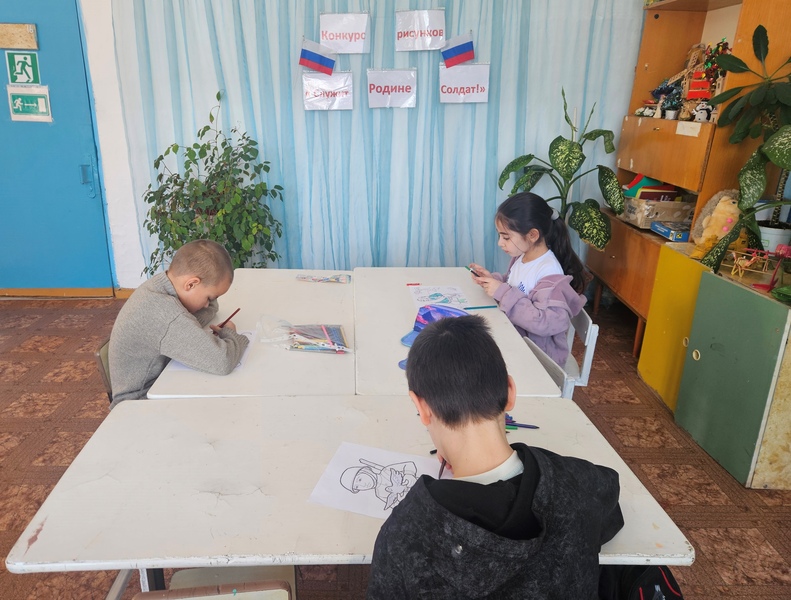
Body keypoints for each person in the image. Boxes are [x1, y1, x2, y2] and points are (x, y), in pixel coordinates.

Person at [367, 315, 623, 599]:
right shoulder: (576, 482)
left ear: (422, 408)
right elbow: (609, 497)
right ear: (510, 392)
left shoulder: (403, 536)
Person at [108, 239, 249, 403]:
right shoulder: (164, 313)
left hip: (160, 380)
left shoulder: (165, 284)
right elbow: (222, 362)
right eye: (209, 297)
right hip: (138, 402)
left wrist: (189, 324)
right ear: (191, 284)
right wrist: (231, 335)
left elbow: (210, 308)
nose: (208, 304)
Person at [468, 192, 588, 366]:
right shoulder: (522, 257)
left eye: (506, 237)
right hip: (517, 338)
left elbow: (544, 322)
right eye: (500, 236)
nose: (500, 243)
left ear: (532, 235)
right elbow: (514, 284)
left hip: (539, 357)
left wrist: (501, 291)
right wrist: (492, 280)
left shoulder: (550, 274)